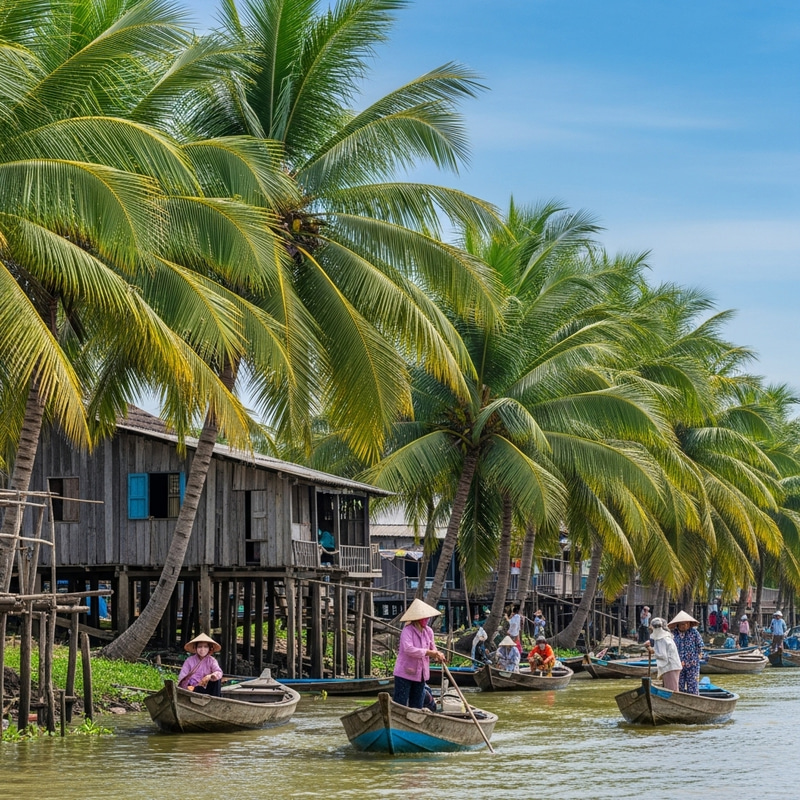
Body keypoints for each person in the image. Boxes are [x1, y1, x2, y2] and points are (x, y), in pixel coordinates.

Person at [393, 598, 445, 708]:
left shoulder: (428, 631)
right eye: (424, 618)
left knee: (417, 705)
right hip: (405, 673)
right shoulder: (407, 631)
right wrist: (428, 652)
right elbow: (408, 649)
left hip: (421, 674)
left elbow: (433, 647)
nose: (426, 620)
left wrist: (438, 655)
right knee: (400, 704)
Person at [668, 611, 704, 695]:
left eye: (687, 623)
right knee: (679, 686)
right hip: (678, 664)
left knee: (693, 686)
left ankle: (694, 699)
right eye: (682, 624)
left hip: (692, 664)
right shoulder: (673, 634)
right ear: (678, 624)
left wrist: (699, 655)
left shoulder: (694, 633)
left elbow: (700, 646)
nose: (685, 626)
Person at [644, 617, 681, 691]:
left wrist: (650, 649)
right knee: (671, 688)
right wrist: (650, 648)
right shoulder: (665, 637)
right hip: (672, 666)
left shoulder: (661, 639)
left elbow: (662, 655)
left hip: (670, 667)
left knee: (671, 690)